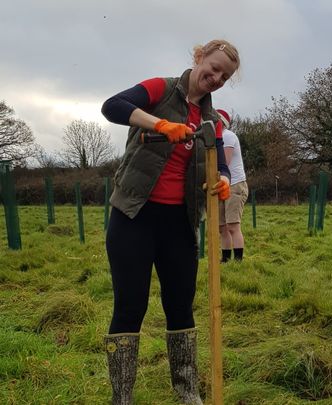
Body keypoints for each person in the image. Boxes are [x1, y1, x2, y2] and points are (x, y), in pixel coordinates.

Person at [100, 39, 240, 405]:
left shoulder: (212, 119)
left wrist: (222, 180)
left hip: (180, 223)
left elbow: (220, 164)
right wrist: (160, 123)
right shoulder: (160, 89)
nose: (215, 78)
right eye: (213, 68)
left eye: (224, 76)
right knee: (130, 307)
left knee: (180, 306)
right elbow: (113, 106)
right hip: (134, 216)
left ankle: (187, 393)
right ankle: (122, 398)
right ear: (199, 57)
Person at [216, 109, 249, 263]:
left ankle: (238, 260)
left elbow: (225, 163)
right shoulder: (216, 138)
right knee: (222, 227)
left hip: (235, 184)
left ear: (221, 121)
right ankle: (225, 259)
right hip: (222, 184)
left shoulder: (227, 136)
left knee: (232, 225)